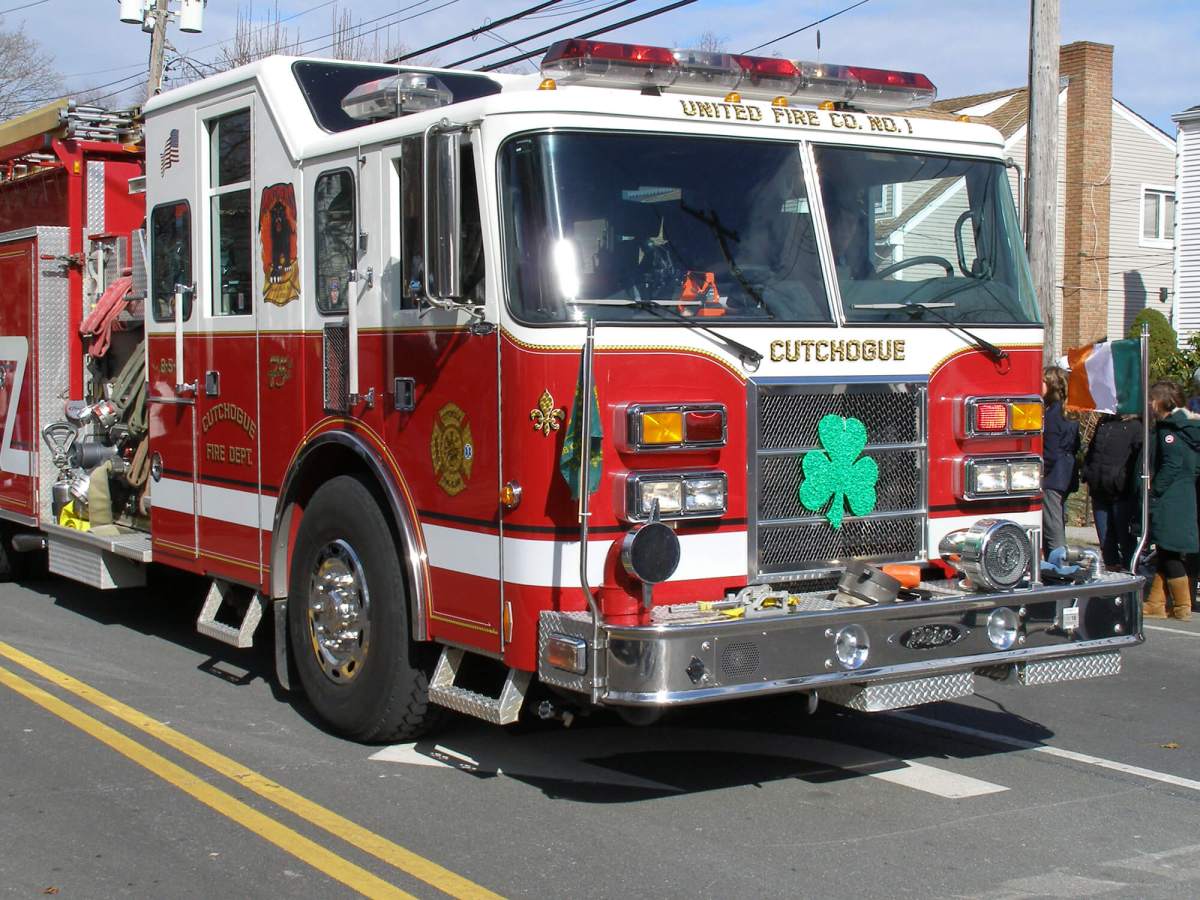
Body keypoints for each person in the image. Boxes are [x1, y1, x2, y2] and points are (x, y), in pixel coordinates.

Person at [1143, 380, 1200, 620]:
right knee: (1165, 551)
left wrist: (1155, 490)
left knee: (1170, 551)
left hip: (1172, 498)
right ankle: (1156, 603)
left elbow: (1172, 464)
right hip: (1183, 494)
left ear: (1158, 402)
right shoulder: (1185, 429)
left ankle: (1181, 605)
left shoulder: (1170, 431)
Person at [1081, 413, 1142, 570]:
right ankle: (1111, 574)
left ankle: (1131, 576)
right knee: (1106, 541)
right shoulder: (1104, 421)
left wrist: (1125, 480)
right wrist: (1088, 471)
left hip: (1121, 493)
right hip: (1099, 489)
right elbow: (1093, 448)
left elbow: (1139, 459)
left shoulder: (1136, 426)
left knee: (1126, 540)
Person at [1041, 366, 1080, 554]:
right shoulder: (1068, 411)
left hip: (1053, 475)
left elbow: (1050, 450)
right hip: (1066, 471)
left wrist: (1041, 472)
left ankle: (1059, 561)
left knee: (1052, 523)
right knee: (1058, 517)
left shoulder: (1052, 414)